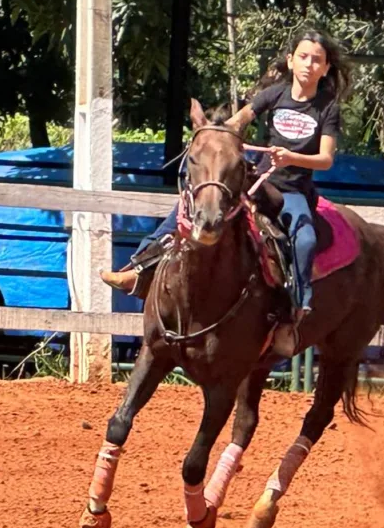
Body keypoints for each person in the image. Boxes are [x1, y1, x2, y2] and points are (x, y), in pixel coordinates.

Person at [100, 29, 351, 357]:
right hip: (257, 181)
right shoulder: (274, 95)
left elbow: (326, 159)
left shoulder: (327, 108)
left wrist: (291, 158)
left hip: (293, 191)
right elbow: (235, 124)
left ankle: (295, 314)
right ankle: (139, 269)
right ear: (291, 61)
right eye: (303, 56)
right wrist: (211, 135)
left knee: (304, 239)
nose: (308, 64)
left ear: (326, 67)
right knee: (189, 208)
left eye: (316, 59)